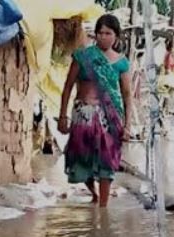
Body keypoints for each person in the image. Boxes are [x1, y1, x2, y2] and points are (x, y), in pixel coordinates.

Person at [58, 14, 132, 208]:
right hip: (84, 115)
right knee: (80, 158)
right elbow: (67, 87)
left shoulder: (122, 63)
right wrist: (62, 116)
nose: (103, 37)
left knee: (107, 161)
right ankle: (95, 193)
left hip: (110, 118)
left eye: (108, 33)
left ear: (116, 36)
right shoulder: (83, 57)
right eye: (100, 33)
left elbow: (127, 95)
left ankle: (103, 208)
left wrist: (128, 125)